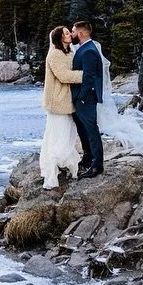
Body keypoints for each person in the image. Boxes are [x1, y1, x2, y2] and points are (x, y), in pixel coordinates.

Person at [40, 26, 85, 189]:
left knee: (67, 135)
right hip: (57, 102)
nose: (70, 35)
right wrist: (85, 75)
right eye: (66, 33)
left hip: (67, 101)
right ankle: (51, 173)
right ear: (60, 38)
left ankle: (64, 164)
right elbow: (64, 75)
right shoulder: (55, 54)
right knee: (57, 136)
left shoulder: (69, 52)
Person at [70, 21, 104, 178]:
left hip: (86, 98)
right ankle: (88, 157)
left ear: (81, 34)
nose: (71, 34)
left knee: (91, 130)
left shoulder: (89, 51)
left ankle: (97, 165)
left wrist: (81, 98)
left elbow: (88, 77)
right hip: (81, 97)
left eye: (73, 31)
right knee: (82, 129)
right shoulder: (84, 48)